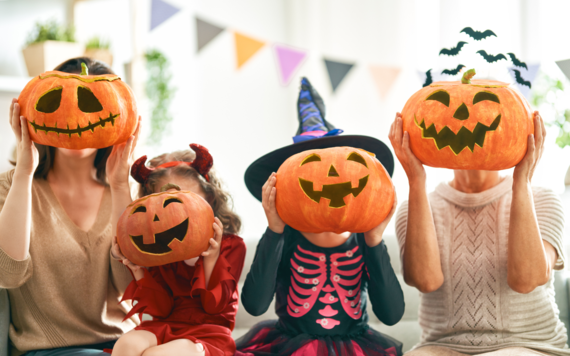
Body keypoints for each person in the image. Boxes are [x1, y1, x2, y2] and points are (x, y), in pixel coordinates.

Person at [236, 78, 405, 356]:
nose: (329, 176)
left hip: (356, 346)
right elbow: (255, 305)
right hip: (290, 345)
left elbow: (391, 314)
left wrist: (375, 241)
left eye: (343, 166)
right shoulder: (285, 235)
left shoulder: (364, 237)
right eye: (311, 167)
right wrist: (274, 230)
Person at [389, 111, 570, 356]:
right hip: (441, 347)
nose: (465, 122)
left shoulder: (542, 198)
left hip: (529, 345)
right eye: (453, 116)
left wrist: (521, 181)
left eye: (480, 117)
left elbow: (526, 279)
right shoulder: (415, 206)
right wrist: (415, 180)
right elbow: (425, 281)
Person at [0, 57, 139, 356]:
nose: (73, 115)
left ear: (117, 113)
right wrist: (24, 173)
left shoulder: (128, 191)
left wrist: (119, 187)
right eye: (57, 101)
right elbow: (7, 274)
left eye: (91, 102)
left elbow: (132, 289)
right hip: (49, 350)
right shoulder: (8, 187)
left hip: (125, 345)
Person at [107, 144, 246, 356]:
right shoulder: (159, 251)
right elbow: (160, 309)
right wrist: (138, 269)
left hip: (208, 333)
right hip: (164, 325)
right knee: (126, 346)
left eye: (185, 200)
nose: (179, 213)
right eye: (166, 203)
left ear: (209, 198)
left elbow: (214, 308)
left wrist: (210, 259)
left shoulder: (231, 246)